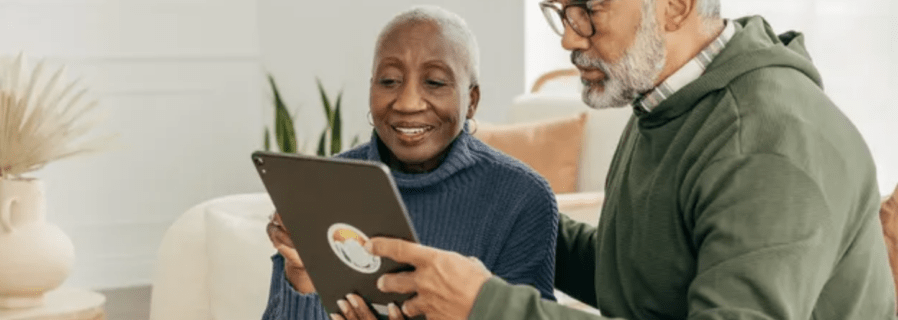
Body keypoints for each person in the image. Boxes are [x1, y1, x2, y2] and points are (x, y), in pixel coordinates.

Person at [343, 0, 898, 319]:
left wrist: (487, 307)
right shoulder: (667, 105)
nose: (569, 38)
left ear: (676, 5)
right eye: (561, 11)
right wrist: (488, 203)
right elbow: (635, 275)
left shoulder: (767, 143)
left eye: (590, 9)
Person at [261, 6, 560, 320]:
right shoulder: (323, 185)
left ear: (471, 101)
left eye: (434, 82)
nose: (407, 103)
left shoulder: (522, 196)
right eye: (389, 81)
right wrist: (301, 276)